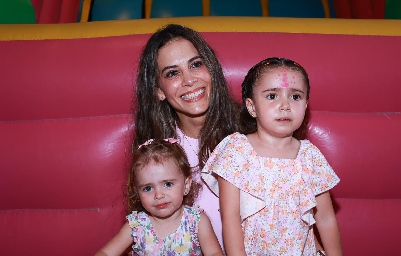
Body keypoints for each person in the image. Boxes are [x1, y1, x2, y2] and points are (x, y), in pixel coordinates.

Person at [202, 57, 342, 255]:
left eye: (295, 97)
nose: (285, 105)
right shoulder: (236, 151)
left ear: (305, 105)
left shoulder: (310, 156)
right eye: (272, 96)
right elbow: (230, 217)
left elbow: (326, 218)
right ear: (252, 107)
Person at [134, 23, 239, 249]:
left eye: (196, 64)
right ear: (159, 90)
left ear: (211, 69)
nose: (189, 80)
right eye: (172, 73)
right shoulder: (156, 155)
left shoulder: (252, 132)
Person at [95, 139, 223, 256]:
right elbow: (106, 252)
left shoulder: (196, 221)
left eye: (167, 184)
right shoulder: (136, 225)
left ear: (186, 185)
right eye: (148, 188)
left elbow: (214, 253)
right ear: (137, 192)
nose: (158, 195)